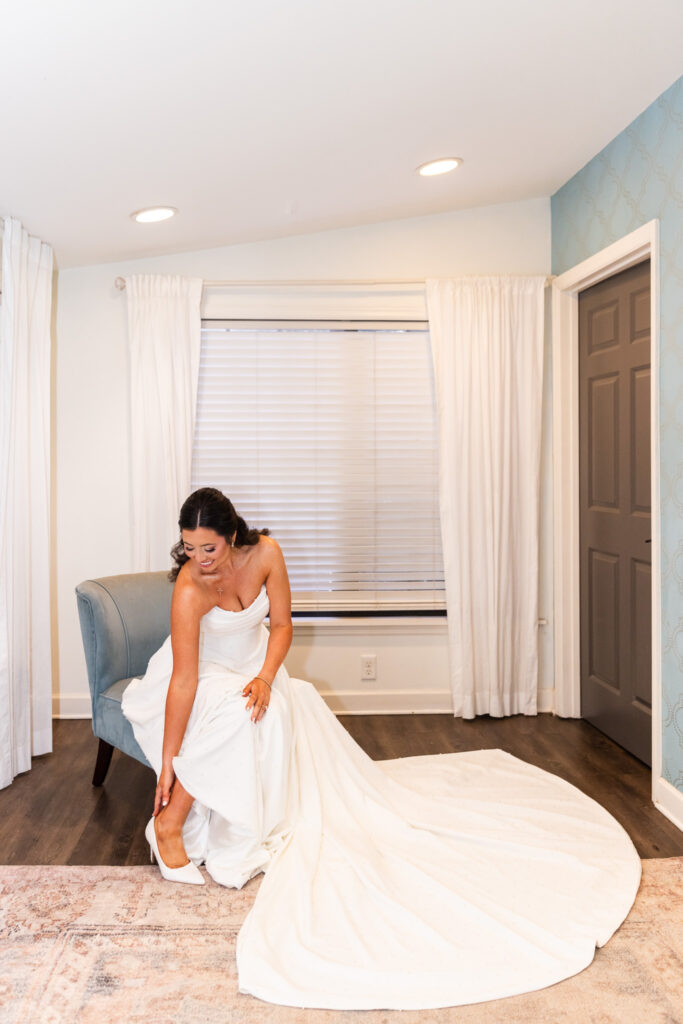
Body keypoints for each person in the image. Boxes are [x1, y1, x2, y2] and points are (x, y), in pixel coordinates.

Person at [122, 487, 642, 1011]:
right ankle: (170, 820)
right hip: (205, 674)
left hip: (256, 668)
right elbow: (185, 680)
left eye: (208, 548)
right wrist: (167, 765)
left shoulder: (267, 554)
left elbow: (281, 627)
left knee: (274, 705)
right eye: (188, 547)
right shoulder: (190, 589)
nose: (198, 559)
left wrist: (264, 677)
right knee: (239, 713)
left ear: (232, 537)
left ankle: (215, 810)